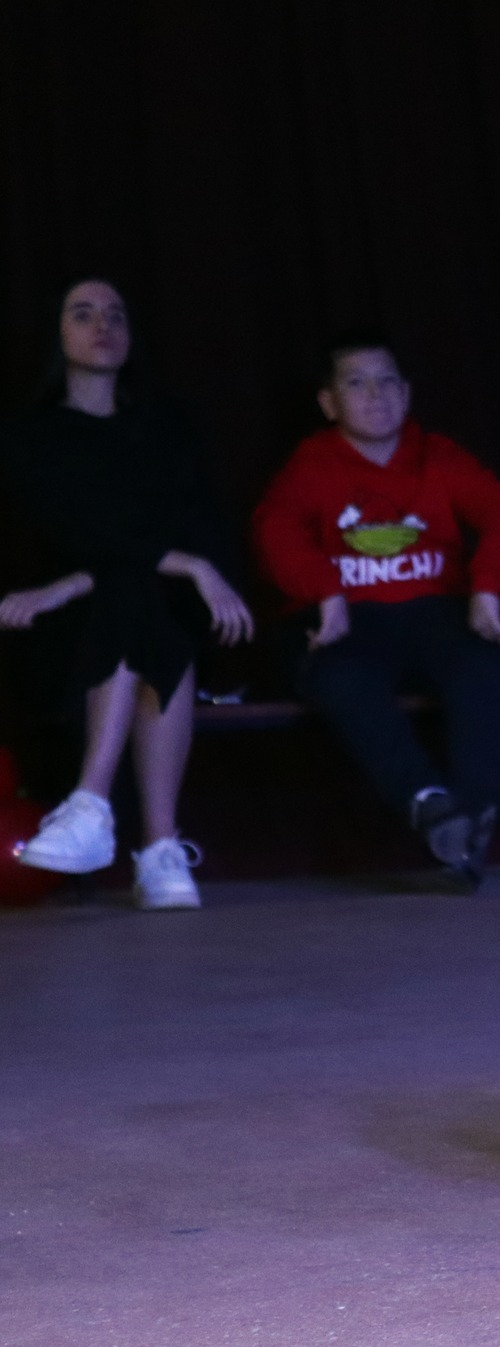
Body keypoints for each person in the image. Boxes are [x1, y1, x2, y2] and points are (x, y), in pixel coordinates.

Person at [0, 278, 252, 909]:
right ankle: (159, 848)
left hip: (145, 608)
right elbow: (74, 529)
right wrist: (183, 566)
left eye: (115, 315)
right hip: (61, 633)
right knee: (139, 605)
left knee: (141, 601)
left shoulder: (166, 426)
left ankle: (91, 806)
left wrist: (84, 578)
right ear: (57, 334)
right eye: (83, 314)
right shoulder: (29, 435)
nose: (103, 326)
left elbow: (181, 525)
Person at [251, 334, 500, 887]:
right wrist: (325, 592)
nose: (375, 395)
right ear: (329, 403)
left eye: (386, 382)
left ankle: (473, 821)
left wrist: (487, 588)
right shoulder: (312, 464)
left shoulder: (437, 455)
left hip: (434, 610)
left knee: (487, 667)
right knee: (338, 676)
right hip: (352, 615)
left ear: (406, 394)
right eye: (356, 384)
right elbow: (274, 532)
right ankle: (428, 802)